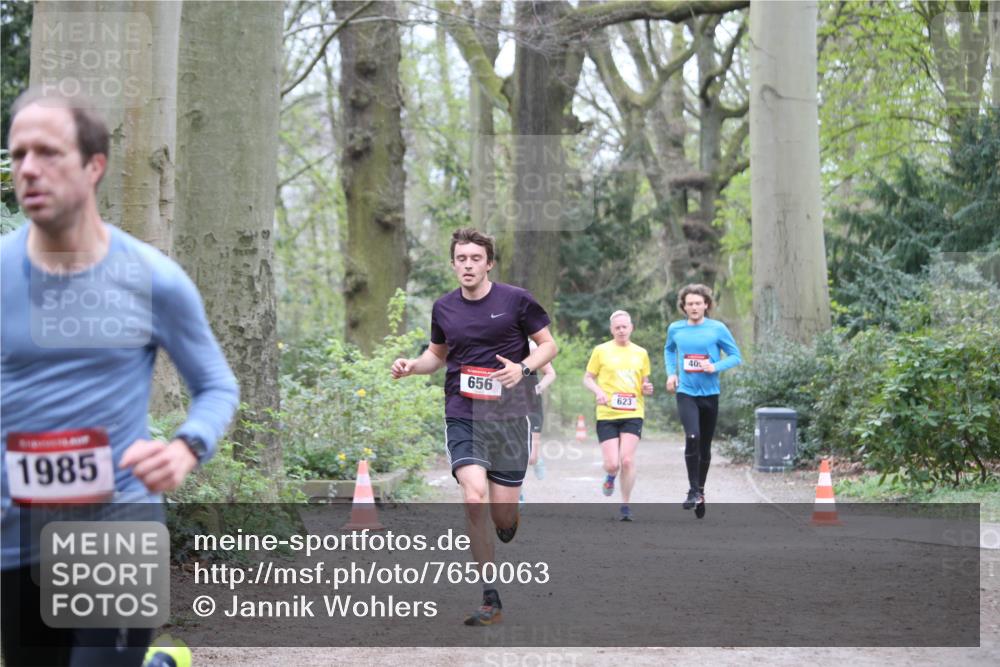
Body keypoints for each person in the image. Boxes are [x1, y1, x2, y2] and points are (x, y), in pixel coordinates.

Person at [1, 90, 239, 666]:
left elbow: (216, 386)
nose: (29, 168)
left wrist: (187, 447)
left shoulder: (152, 278)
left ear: (94, 166)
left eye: (49, 153)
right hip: (14, 537)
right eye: (18, 154)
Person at [391, 228, 557, 626]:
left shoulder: (516, 300)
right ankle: (490, 597)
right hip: (463, 412)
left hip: (511, 415)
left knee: (502, 514)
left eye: (475, 258)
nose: (468, 265)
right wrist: (413, 367)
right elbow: (436, 355)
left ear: (489, 263)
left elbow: (549, 345)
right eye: (461, 259)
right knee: (473, 496)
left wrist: (523, 367)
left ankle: (509, 520)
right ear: (453, 264)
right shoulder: (444, 307)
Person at [663, 284, 741, 516]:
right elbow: (669, 350)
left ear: (706, 305)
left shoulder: (717, 328)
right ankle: (692, 490)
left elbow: (736, 356)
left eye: (698, 303)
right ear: (683, 307)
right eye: (690, 304)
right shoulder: (675, 329)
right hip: (686, 392)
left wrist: (714, 366)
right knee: (692, 436)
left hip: (710, 395)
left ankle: (701, 490)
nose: (694, 307)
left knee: (705, 447)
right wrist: (671, 373)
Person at [583, 310, 653, 522]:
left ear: (631, 327)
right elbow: (587, 378)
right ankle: (611, 476)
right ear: (612, 330)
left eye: (625, 326)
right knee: (613, 463)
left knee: (628, 459)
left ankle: (625, 505)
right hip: (607, 413)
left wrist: (647, 388)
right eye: (617, 327)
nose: (621, 330)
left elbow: (644, 383)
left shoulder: (641, 353)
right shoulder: (601, 350)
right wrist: (598, 392)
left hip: (633, 412)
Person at [522, 339, 556, 505]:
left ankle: (537, 459)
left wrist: (539, 387)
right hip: (509, 407)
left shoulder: (532, 347)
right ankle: (517, 493)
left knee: (531, 457)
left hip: (532, 406)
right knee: (513, 454)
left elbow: (550, 373)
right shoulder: (499, 345)